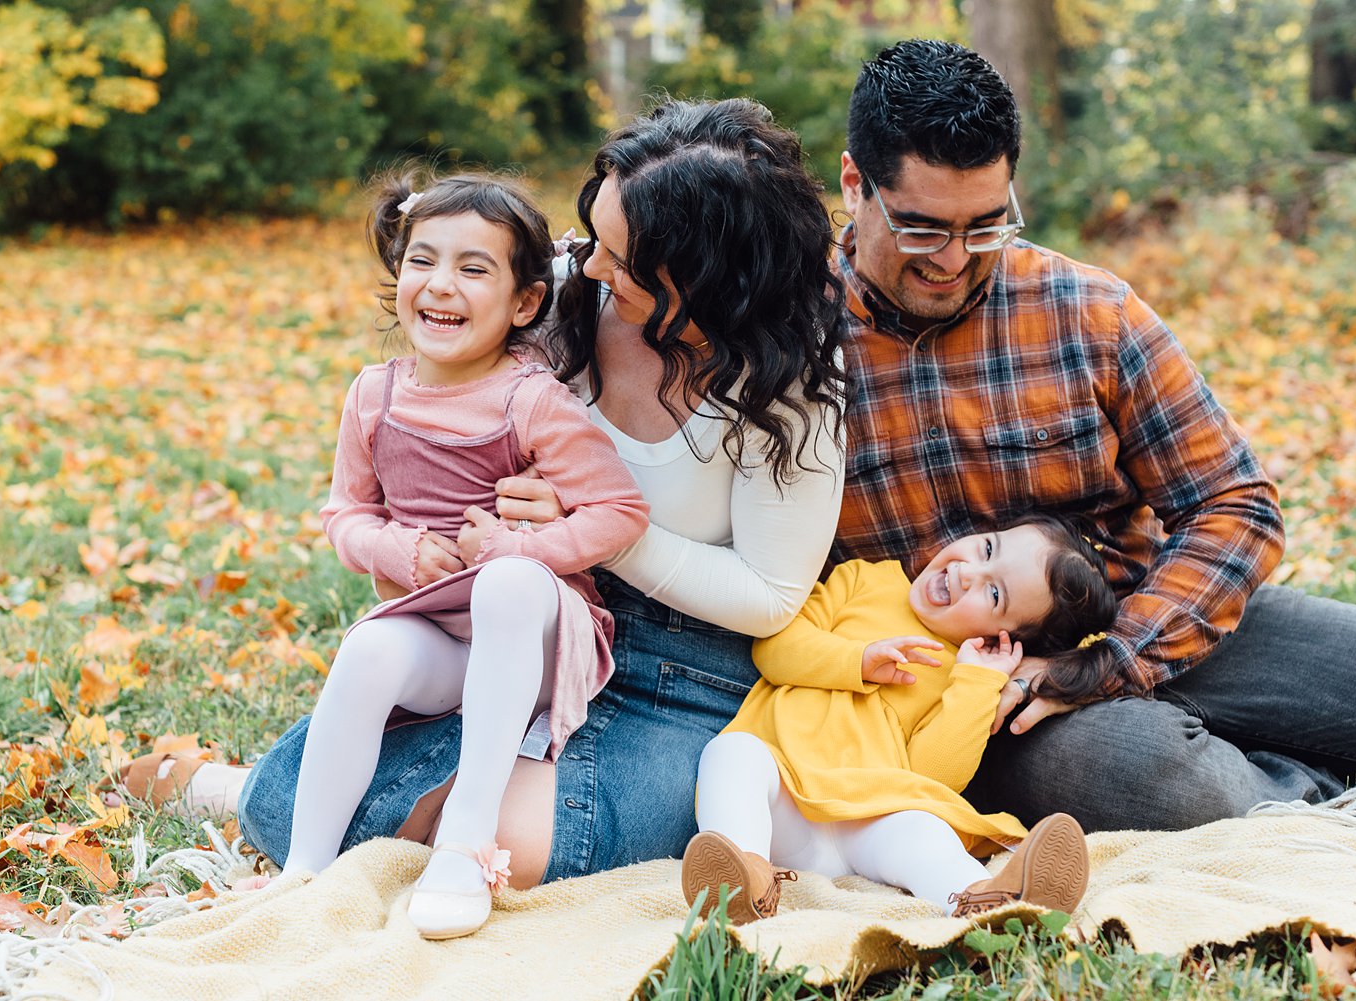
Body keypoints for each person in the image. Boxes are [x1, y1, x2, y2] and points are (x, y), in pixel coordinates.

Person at [113, 99, 846, 889]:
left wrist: (605, 530)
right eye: (593, 237)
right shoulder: (560, 295)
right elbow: (432, 393)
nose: (588, 265)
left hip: (676, 669)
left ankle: (288, 794)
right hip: (513, 622)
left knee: (518, 846)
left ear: (707, 275)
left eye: (619, 258)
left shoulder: (788, 383)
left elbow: (771, 594)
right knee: (292, 806)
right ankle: (253, 788)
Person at [831, 39, 1356, 832]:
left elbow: (1236, 503)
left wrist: (1115, 660)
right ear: (854, 185)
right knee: (1147, 776)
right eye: (923, 230)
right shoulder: (788, 346)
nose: (955, 261)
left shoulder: (1085, 309)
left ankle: (1260, 766)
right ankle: (1312, 797)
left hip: (1152, 618)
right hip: (983, 699)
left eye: (986, 227)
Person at [278, 171, 650, 938]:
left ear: (524, 303)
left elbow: (620, 511)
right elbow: (344, 512)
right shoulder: (374, 396)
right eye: (423, 259)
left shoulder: (531, 399)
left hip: (537, 630)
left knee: (509, 582)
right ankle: (303, 869)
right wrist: (399, 547)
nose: (440, 284)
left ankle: (466, 842)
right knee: (371, 646)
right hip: (443, 632)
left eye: (473, 268)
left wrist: (518, 545)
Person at [683, 514, 1111, 924]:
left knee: (923, 829)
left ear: (1007, 640)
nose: (967, 574)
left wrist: (976, 684)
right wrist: (858, 660)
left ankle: (986, 900)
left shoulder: (970, 674)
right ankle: (743, 876)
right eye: (986, 548)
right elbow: (774, 649)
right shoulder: (864, 579)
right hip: (785, 806)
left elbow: (932, 775)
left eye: (994, 594)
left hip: (871, 819)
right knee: (731, 753)